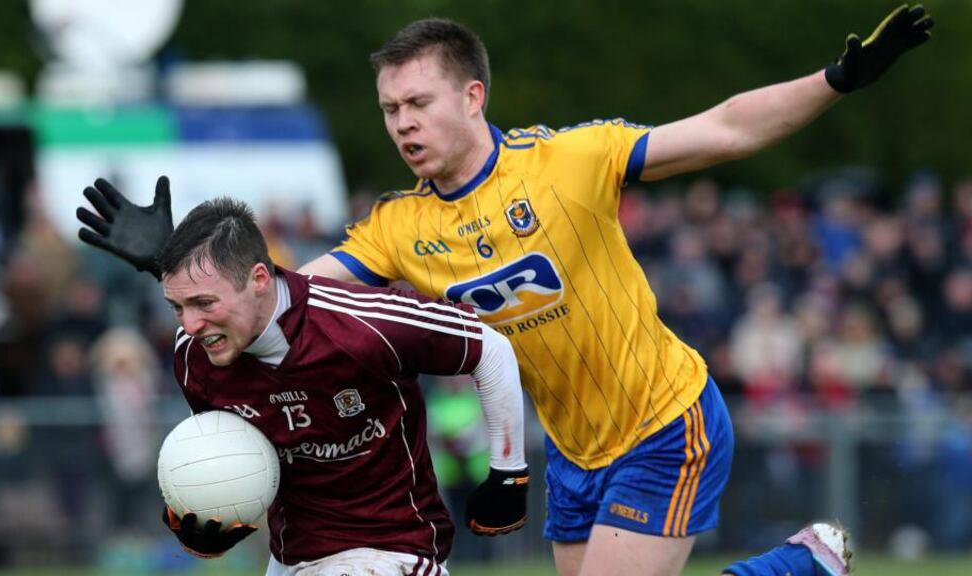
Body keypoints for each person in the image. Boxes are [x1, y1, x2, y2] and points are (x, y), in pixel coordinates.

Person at [76, 5, 933, 575]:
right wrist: (172, 266)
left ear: (473, 95)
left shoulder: (566, 161)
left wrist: (837, 82)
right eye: (388, 109)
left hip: (664, 419)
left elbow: (725, 128)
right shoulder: (399, 227)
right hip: (574, 449)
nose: (402, 123)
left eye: (417, 102)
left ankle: (795, 565)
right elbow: (277, 297)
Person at [149, 198, 530, 574]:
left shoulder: (360, 324)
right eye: (178, 307)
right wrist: (207, 513)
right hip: (293, 558)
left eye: (204, 303)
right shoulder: (194, 356)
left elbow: (490, 349)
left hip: (394, 550)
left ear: (259, 280)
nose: (191, 324)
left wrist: (508, 474)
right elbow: (237, 460)